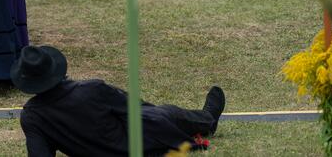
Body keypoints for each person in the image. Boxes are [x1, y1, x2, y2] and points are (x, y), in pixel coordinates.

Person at [13, 45, 226, 157]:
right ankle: (207, 120)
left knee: (160, 115)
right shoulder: (91, 89)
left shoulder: (31, 116)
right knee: (164, 114)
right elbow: (137, 108)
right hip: (137, 147)